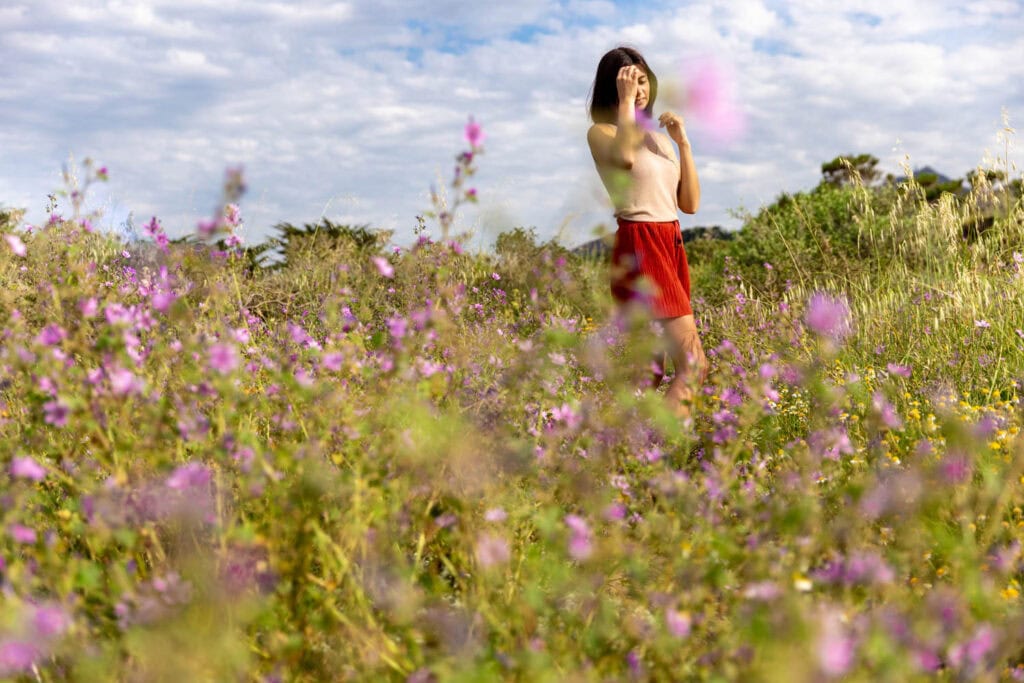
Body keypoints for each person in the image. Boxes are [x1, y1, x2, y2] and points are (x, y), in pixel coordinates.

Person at [586, 45, 709, 418]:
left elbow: (688, 204)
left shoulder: (659, 140)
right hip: (640, 243)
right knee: (695, 365)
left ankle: (609, 453)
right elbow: (624, 158)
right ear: (613, 87)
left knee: (648, 372)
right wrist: (625, 104)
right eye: (629, 82)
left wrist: (683, 142)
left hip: (670, 242)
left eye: (642, 80)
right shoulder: (602, 132)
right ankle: (658, 455)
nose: (639, 89)